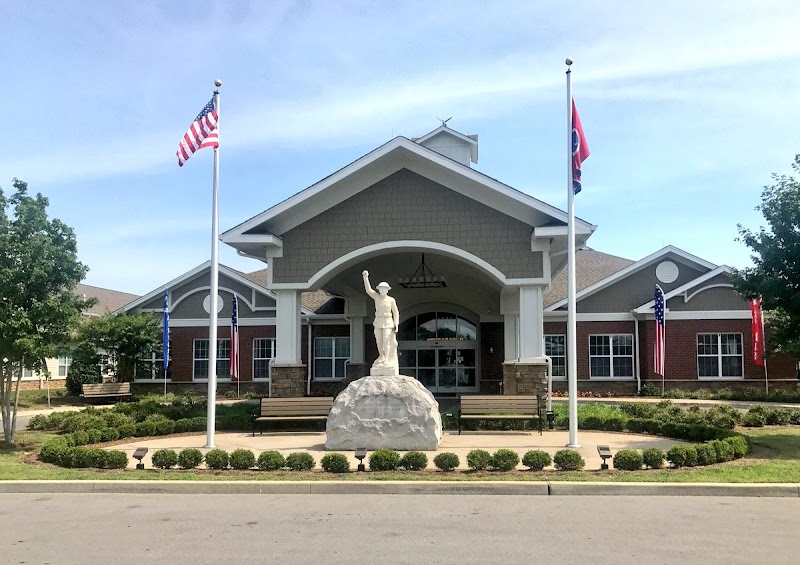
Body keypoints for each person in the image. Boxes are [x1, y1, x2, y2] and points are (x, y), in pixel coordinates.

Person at [362, 270, 399, 374]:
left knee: (387, 340)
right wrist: (366, 277)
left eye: (385, 289)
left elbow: (396, 312)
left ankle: (387, 359)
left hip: (388, 322)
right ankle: (381, 357)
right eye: (381, 288)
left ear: (387, 290)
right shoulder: (376, 297)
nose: (383, 290)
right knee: (379, 340)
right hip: (378, 321)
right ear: (379, 290)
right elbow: (368, 290)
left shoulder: (391, 300)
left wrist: (396, 323)